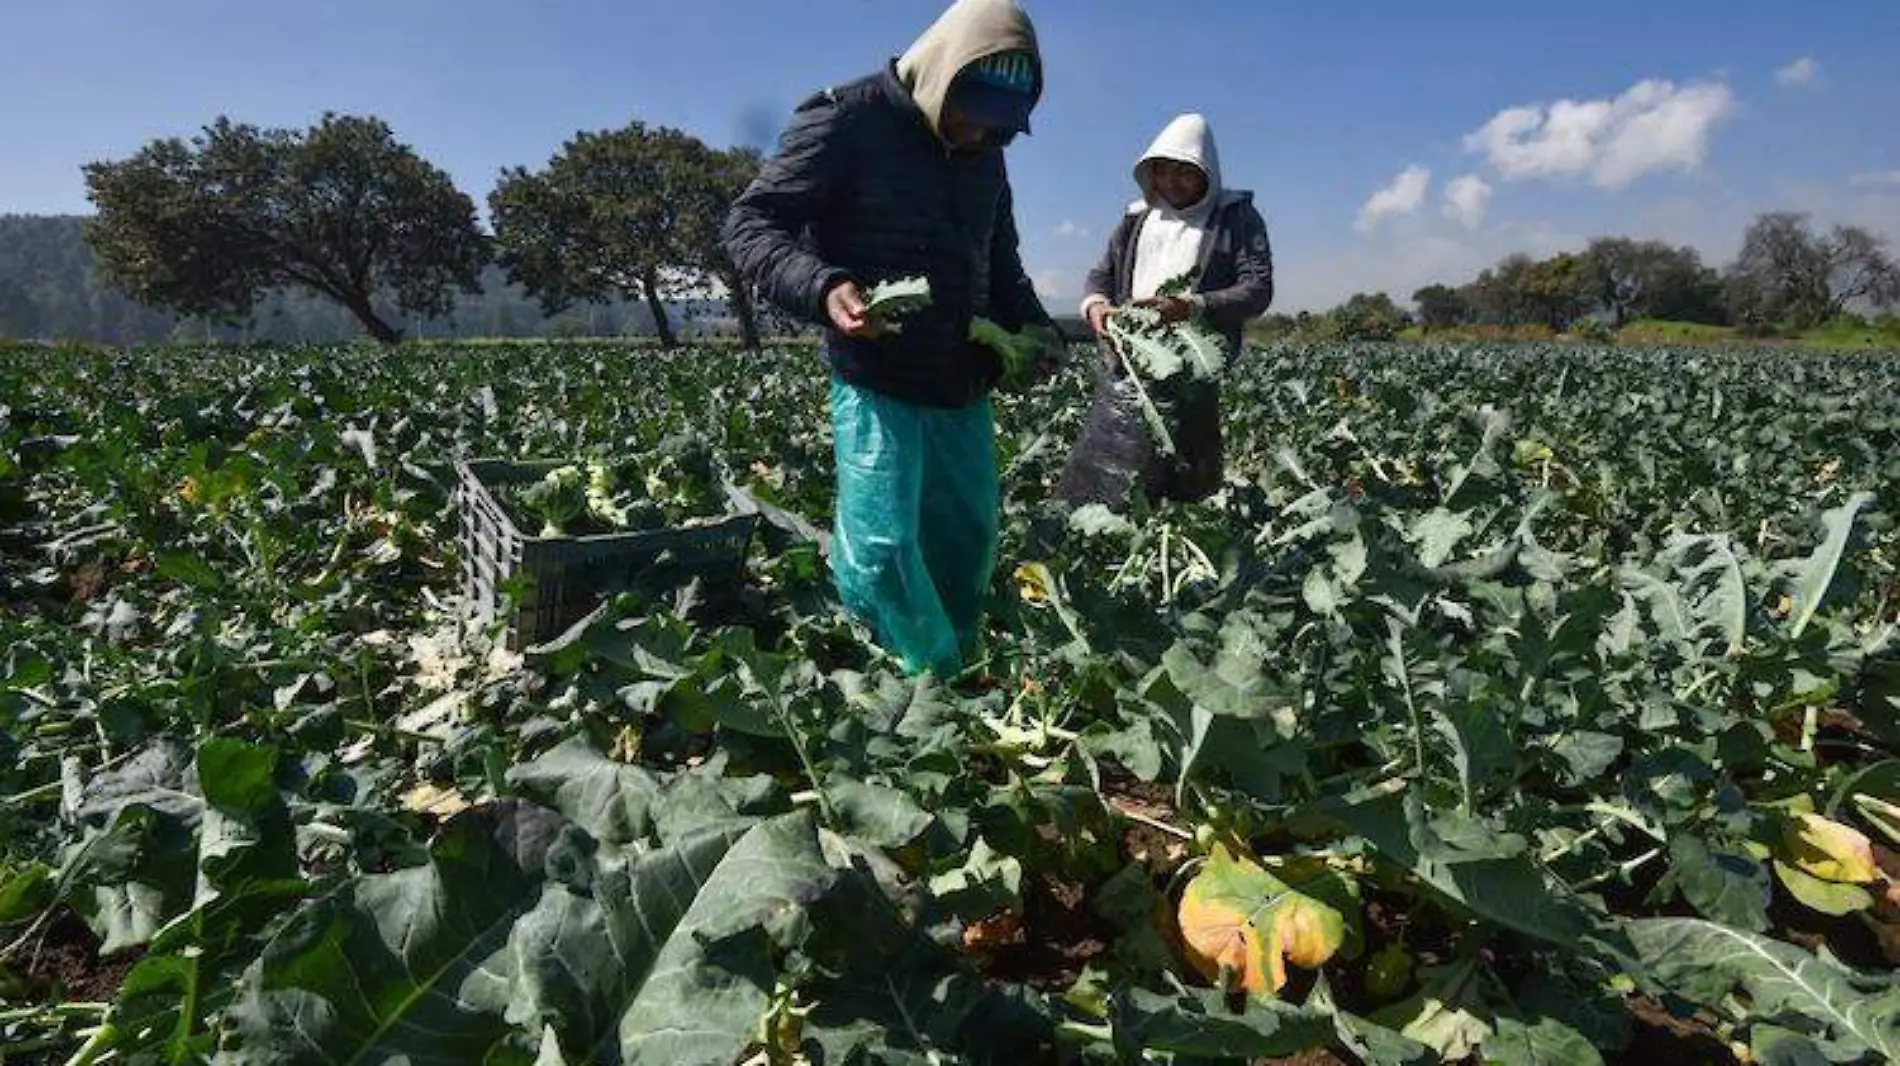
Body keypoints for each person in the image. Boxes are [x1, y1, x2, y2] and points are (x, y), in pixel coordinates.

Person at [722, 0, 1061, 679]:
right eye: (971, 115)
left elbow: (1000, 265)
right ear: (941, 74)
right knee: (884, 547)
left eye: (998, 128)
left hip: (961, 380)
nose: (977, 135)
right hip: (878, 376)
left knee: (966, 540)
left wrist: (1036, 328)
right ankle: (899, 686)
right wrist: (824, 287)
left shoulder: (986, 154)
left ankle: (956, 667)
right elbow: (751, 225)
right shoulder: (845, 119)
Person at [1055, 113, 1274, 509]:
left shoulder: (1236, 217)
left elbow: (1257, 289)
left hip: (1191, 371)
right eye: (1162, 172)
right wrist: (1097, 306)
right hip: (1128, 368)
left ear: (1207, 174)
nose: (1171, 183)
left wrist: (1190, 307)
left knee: (1185, 476)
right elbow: (1099, 275)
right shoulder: (1135, 219)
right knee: (1104, 474)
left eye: (1184, 174)